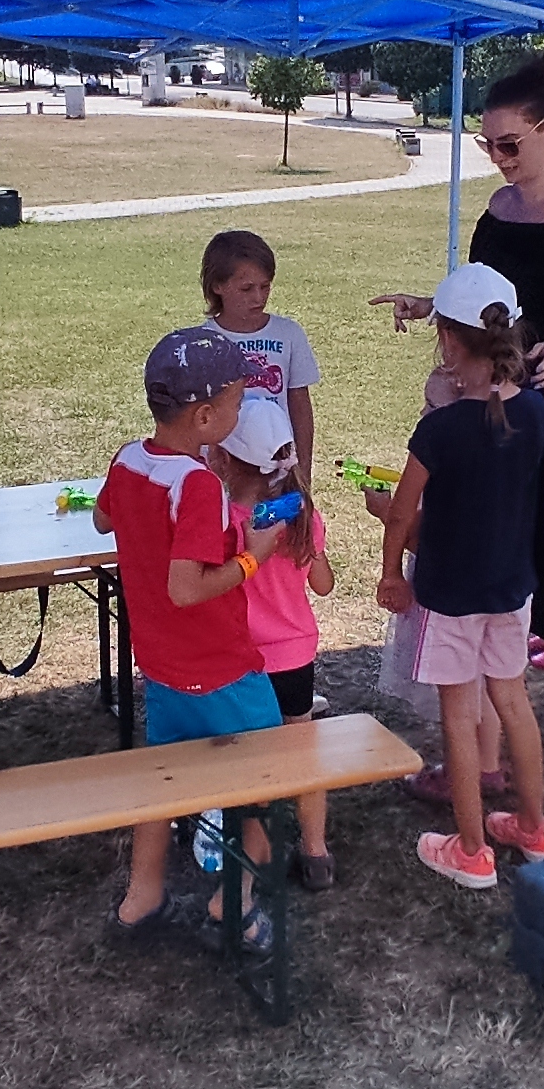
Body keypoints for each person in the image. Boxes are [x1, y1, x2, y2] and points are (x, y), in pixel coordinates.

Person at [371, 54, 544, 778]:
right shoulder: (498, 213)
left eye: (509, 144)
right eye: (487, 144)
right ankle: (517, 674)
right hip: (493, 409)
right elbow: (486, 304)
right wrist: (432, 306)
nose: (496, 159)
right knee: (499, 546)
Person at [94, 327, 289, 946]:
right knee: (269, 780)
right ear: (205, 416)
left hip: (161, 663)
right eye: (234, 405)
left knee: (165, 778)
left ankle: (141, 897)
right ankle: (233, 904)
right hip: (222, 666)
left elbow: (103, 517)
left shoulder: (129, 458)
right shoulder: (198, 486)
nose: (237, 415)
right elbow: (186, 587)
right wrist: (253, 558)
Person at [376, 262, 544, 889]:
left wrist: (391, 571)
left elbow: (401, 513)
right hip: (513, 589)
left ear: (449, 342)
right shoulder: (537, 412)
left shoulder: (440, 428)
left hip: (451, 594)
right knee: (513, 701)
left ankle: (472, 848)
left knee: (459, 715)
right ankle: (534, 829)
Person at [205, 400, 339, 890]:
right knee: (301, 748)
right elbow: (321, 585)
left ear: (225, 459)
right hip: (295, 656)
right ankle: (316, 850)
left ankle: (252, 849)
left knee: (248, 754)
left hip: (243, 659)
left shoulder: (225, 522)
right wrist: (314, 551)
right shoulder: (300, 514)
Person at [200, 229, 321, 477]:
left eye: (265, 286)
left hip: (279, 465)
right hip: (223, 468)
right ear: (218, 286)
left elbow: (299, 404)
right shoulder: (203, 341)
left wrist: (304, 469)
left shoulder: (289, 333)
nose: (259, 297)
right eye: (246, 289)